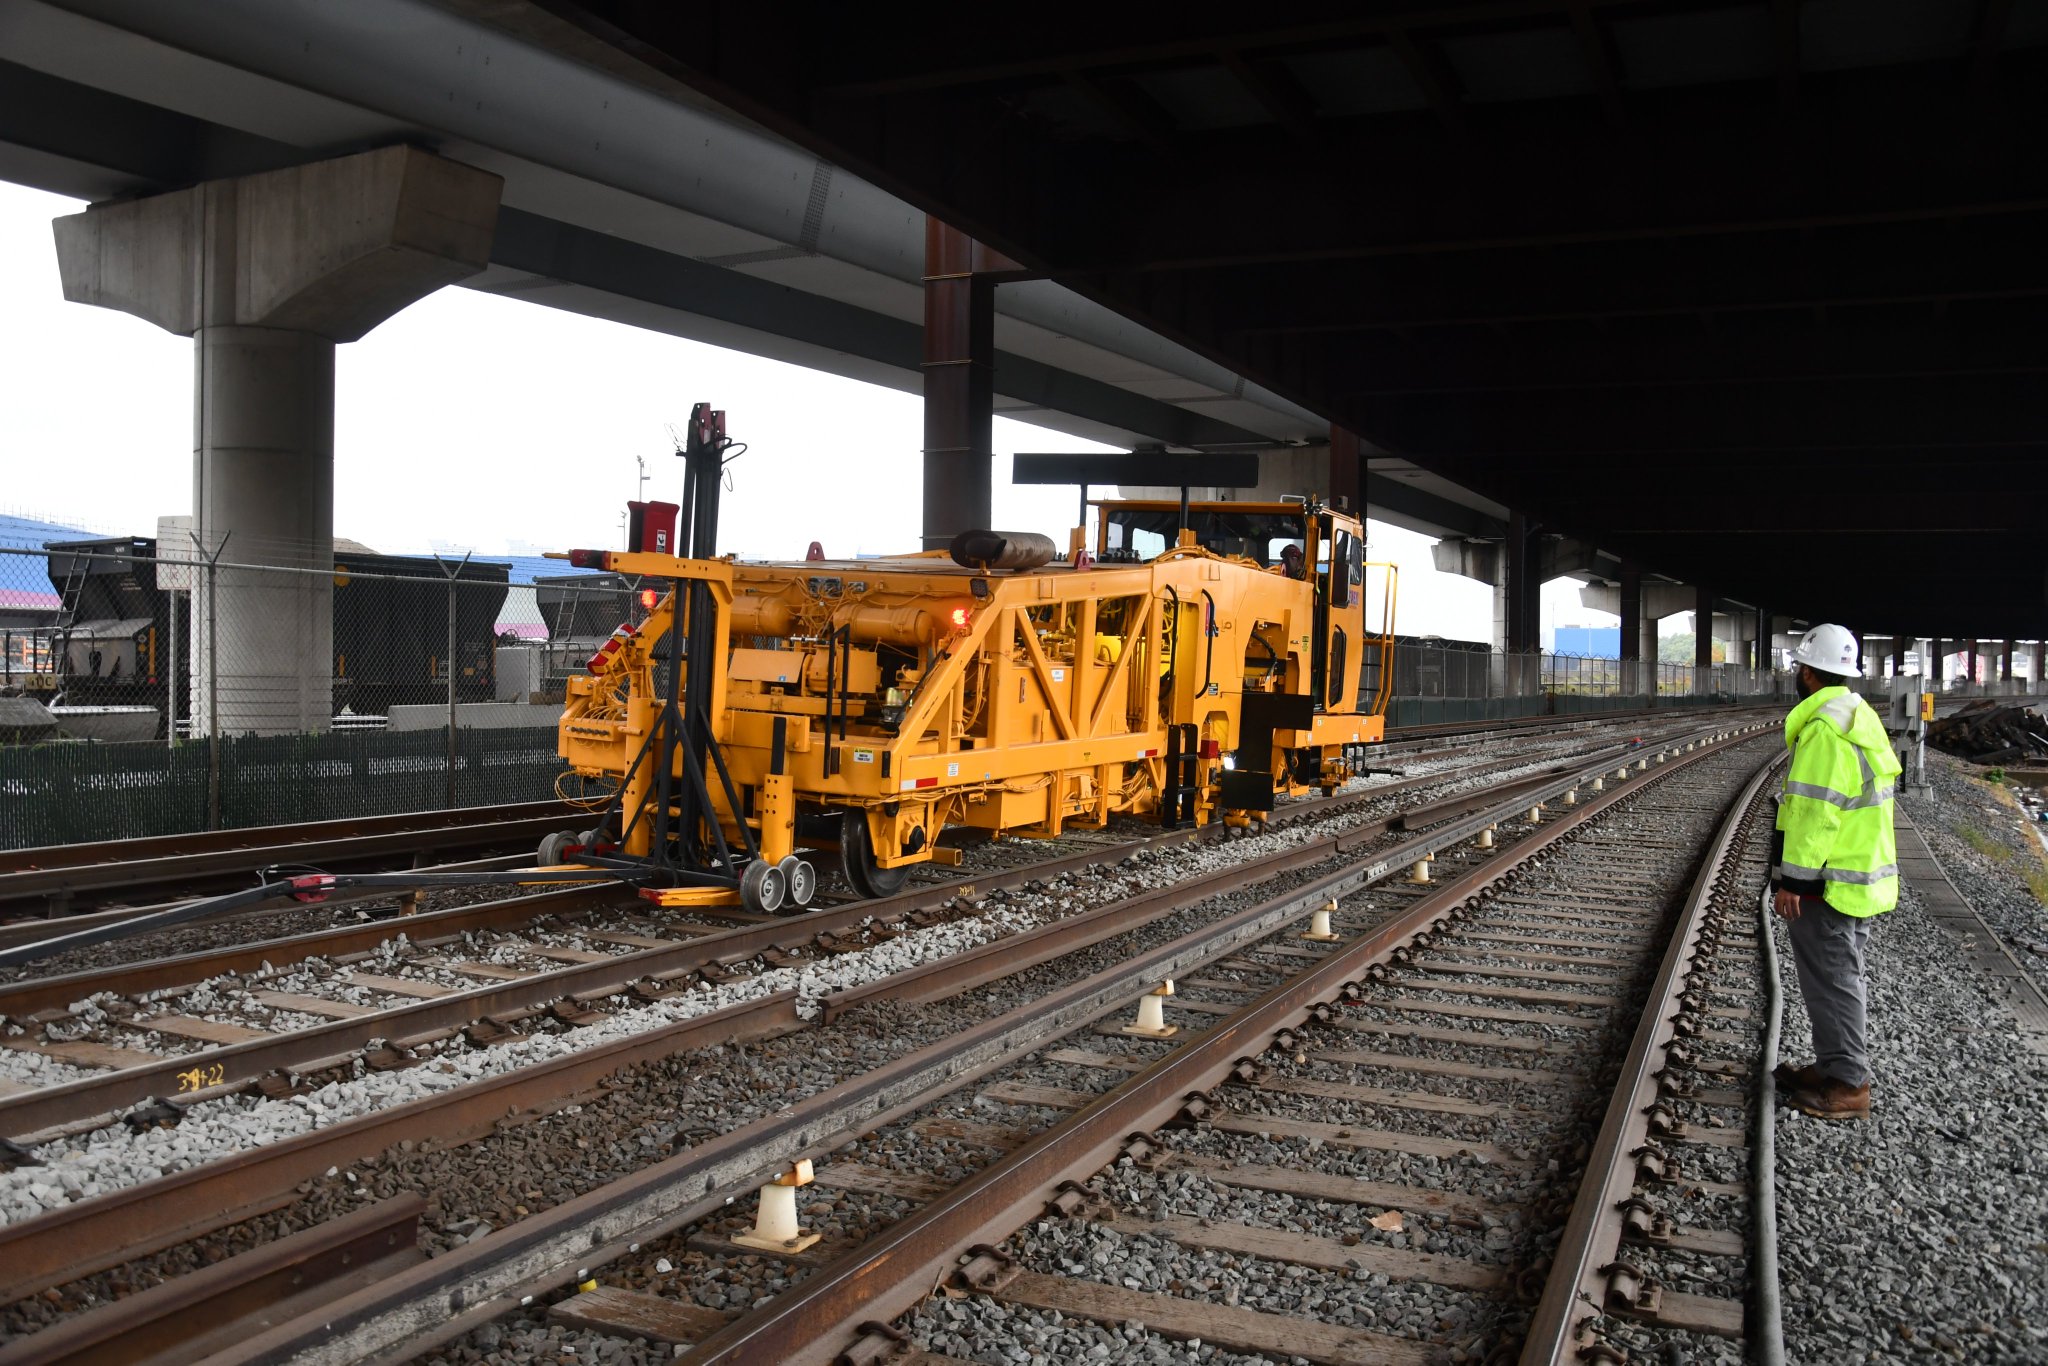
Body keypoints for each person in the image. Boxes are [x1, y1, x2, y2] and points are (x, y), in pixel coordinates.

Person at [1770, 623, 1900, 1121]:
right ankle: (1833, 1067)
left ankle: (1848, 1084)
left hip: (1828, 879)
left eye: (1798, 668)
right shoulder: (1857, 715)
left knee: (1833, 979)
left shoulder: (1825, 730)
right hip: (1857, 869)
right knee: (1837, 974)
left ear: (1807, 673)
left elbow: (1814, 812)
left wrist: (1794, 882)